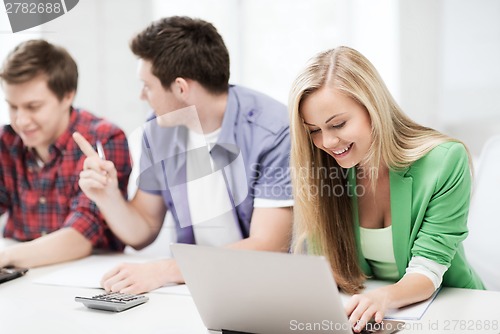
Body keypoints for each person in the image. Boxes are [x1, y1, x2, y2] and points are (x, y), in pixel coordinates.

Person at [73, 16, 293, 294]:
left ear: (180, 88)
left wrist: (166, 270)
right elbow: (142, 230)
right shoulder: (159, 130)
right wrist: (108, 195)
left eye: (148, 85)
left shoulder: (272, 131)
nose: (143, 96)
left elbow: (268, 246)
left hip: (263, 288)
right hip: (194, 288)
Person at [288, 46, 484, 332]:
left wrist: (381, 298)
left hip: (451, 312)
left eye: (338, 124)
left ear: (373, 108)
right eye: (314, 130)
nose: (327, 142)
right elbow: (327, 268)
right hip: (367, 318)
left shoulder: (444, 161)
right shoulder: (325, 169)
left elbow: (428, 270)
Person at [0, 40, 132, 268]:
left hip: (87, 277)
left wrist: (8, 256)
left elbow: (82, 235)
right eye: (13, 106)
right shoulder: (7, 140)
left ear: (67, 96)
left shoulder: (104, 139)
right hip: (21, 274)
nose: (20, 120)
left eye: (33, 107)